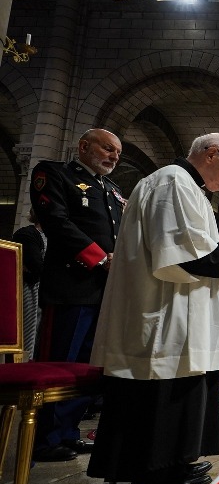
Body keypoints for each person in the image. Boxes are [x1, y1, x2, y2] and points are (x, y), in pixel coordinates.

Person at [86, 133, 219, 484]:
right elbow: (180, 251)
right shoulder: (173, 182)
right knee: (163, 381)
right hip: (163, 307)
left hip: (177, 304)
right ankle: (156, 470)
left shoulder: (185, 187)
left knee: (179, 380)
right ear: (211, 154)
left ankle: (175, 461)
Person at [29, 128, 124, 462]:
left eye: (117, 152)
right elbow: (55, 220)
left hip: (104, 291)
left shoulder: (111, 189)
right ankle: (44, 439)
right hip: (71, 286)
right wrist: (99, 258)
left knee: (88, 366)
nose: (114, 156)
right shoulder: (54, 173)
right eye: (108, 148)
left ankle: (67, 432)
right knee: (60, 362)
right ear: (84, 146)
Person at [11, 208, 46, 359]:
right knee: (29, 333)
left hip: (49, 291)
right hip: (31, 290)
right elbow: (37, 267)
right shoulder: (27, 234)